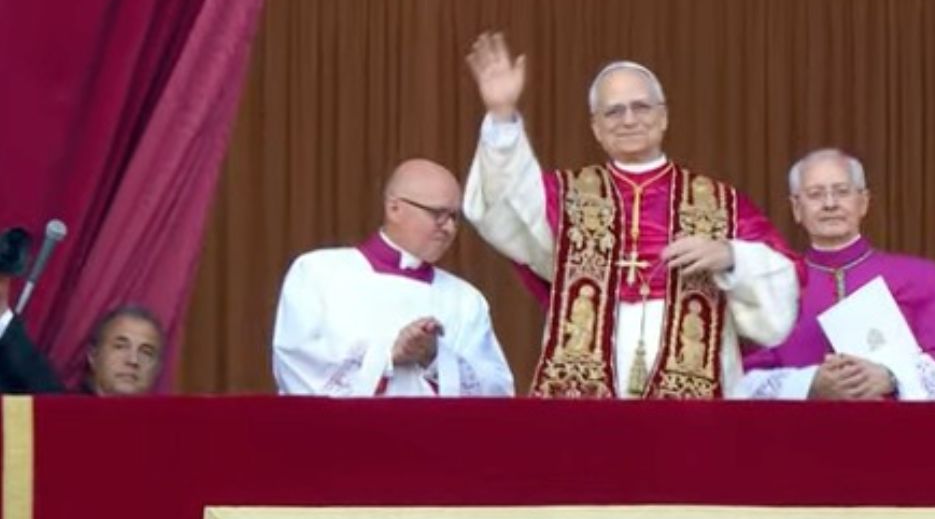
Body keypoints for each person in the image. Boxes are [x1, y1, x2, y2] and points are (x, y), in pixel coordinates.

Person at [462, 32, 799, 399]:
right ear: (596, 128)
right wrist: (502, 115)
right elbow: (504, 205)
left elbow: (784, 281)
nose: (628, 119)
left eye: (641, 107)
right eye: (614, 111)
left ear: (663, 117)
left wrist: (731, 256)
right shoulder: (566, 197)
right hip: (586, 390)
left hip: (696, 391)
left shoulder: (721, 203)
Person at [736, 148, 935, 400]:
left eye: (842, 191)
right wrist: (809, 383)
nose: (830, 204)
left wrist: (891, 377)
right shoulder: (774, 288)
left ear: (863, 202)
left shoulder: (923, 278)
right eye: (815, 194)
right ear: (797, 208)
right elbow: (739, 383)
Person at [272, 159, 513, 397]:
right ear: (394, 208)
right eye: (438, 214)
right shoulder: (317, 273)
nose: (449, 228)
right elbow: (297, 366)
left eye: (454, 217)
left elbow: (496, 392)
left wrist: (435, 358)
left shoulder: (466, 300)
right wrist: (388, 355)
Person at [0, 282, 166, 395]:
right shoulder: (56, 408)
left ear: (157, 368)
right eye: (120, 346)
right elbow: (28, 366)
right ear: (93, 356)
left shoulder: (166, 431)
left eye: (146, 352)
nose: (133, 360)